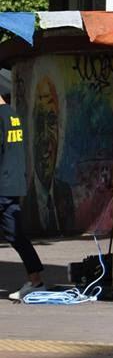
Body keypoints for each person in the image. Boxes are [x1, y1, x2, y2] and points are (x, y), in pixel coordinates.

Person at [0, 93, 45, 301]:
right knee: (17, 237)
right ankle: (36, 281)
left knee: (17, 237)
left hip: (2, 184)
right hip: (13, 184)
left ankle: (36, 281)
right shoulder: (12, 115)